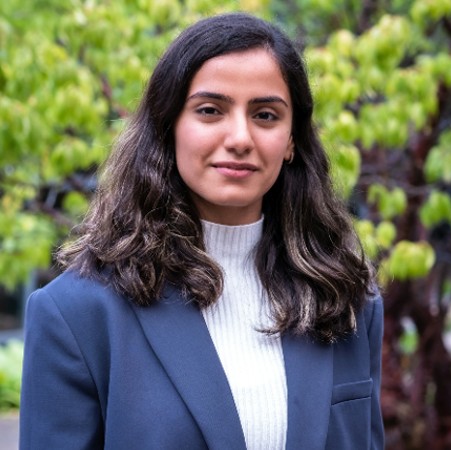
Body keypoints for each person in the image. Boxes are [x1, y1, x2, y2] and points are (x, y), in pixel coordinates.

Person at [18, 13, 383, 449]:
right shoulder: (77, 313)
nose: (240, 138)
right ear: (168, 125)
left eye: (266, 115)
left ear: (291, 140)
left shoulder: (345, 299)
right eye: (210, 111)